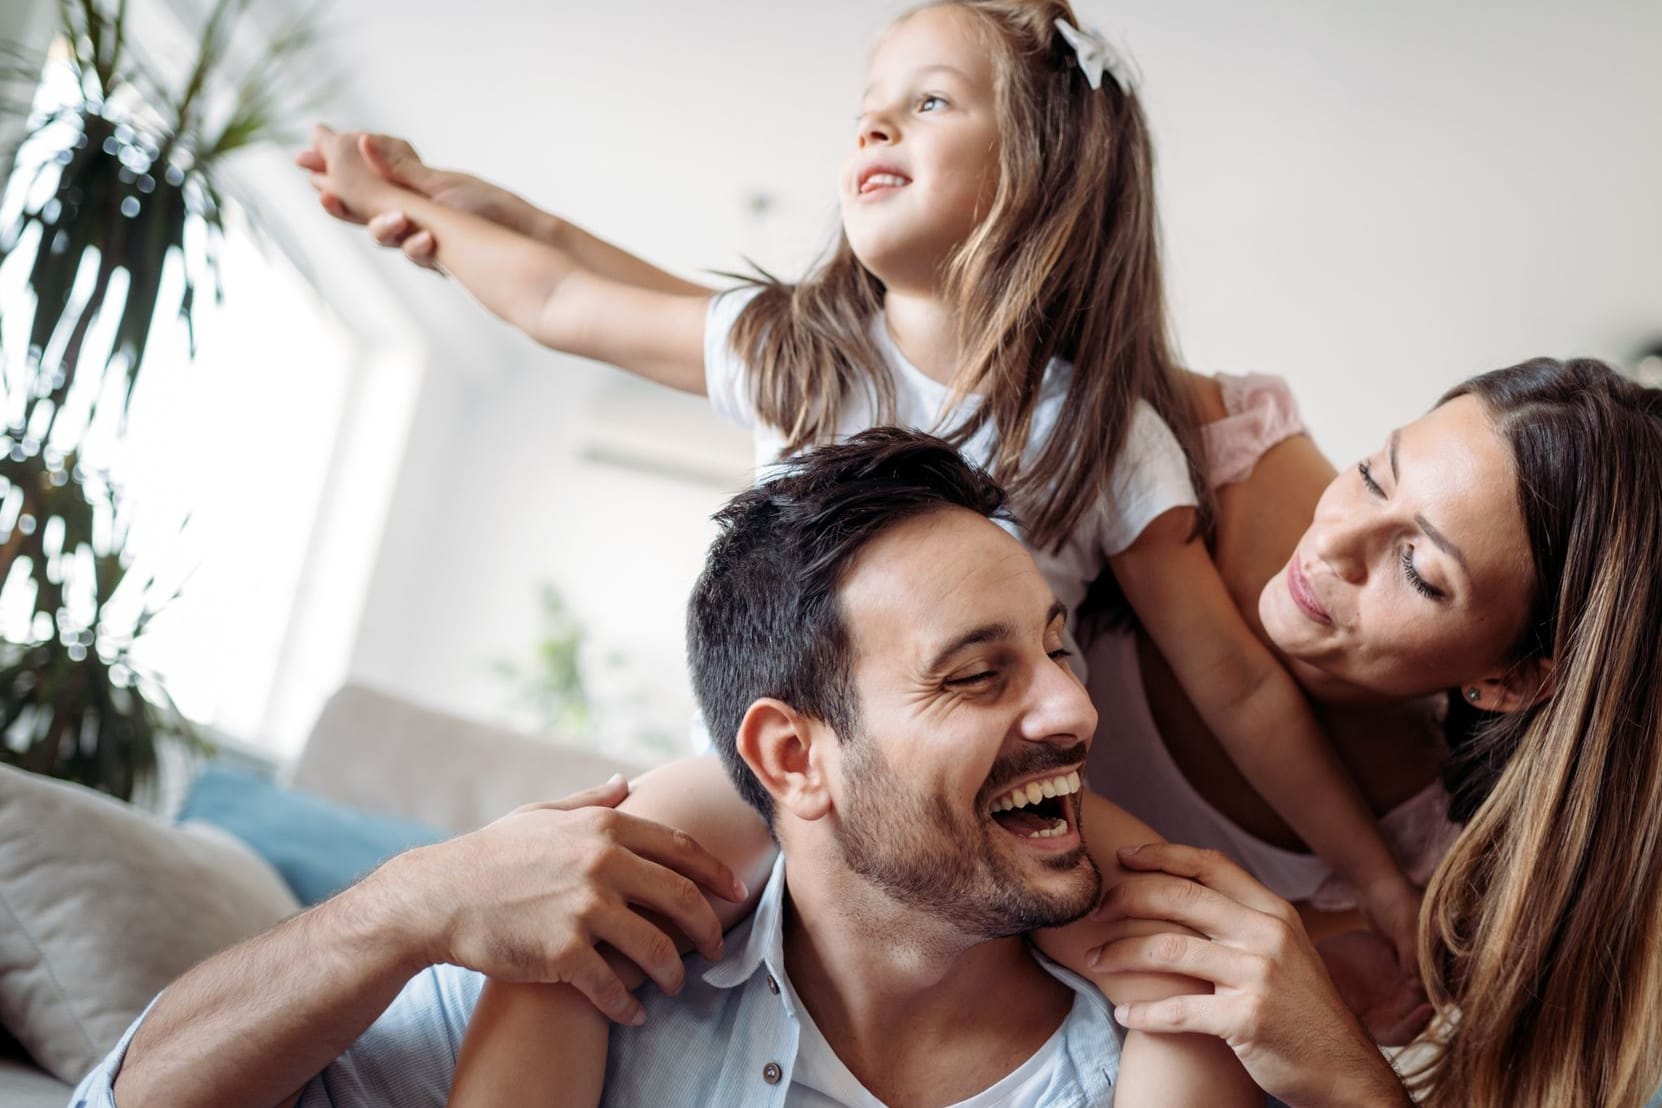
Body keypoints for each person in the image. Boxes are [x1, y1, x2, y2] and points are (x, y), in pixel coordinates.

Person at [297, 1, 1418, 1095]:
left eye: (927, 102)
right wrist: (438, 224)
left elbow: (1232, 679)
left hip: (995, 812)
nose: (874, 128)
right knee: (588, 902)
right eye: (867, 110)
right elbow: (559, 289)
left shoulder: (1107, 430)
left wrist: (1373, 876)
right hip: (756, 787)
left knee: (1186, 943)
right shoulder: (796, 348)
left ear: (1043, 170)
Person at [74, 430, 1386, 1107]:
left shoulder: (1160, 1050)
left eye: (1057, 651)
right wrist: (401, 909)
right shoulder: (596, 979)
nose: (1072, 709)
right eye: (978, 673)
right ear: (787, 756)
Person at [1084, 358, 1662, 1107]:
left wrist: (1348, 1047)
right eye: (1372, 474)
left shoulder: (1438, 890)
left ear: (1511, 680)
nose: (1332, 545)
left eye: (1418, 568)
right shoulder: (1222, 446)